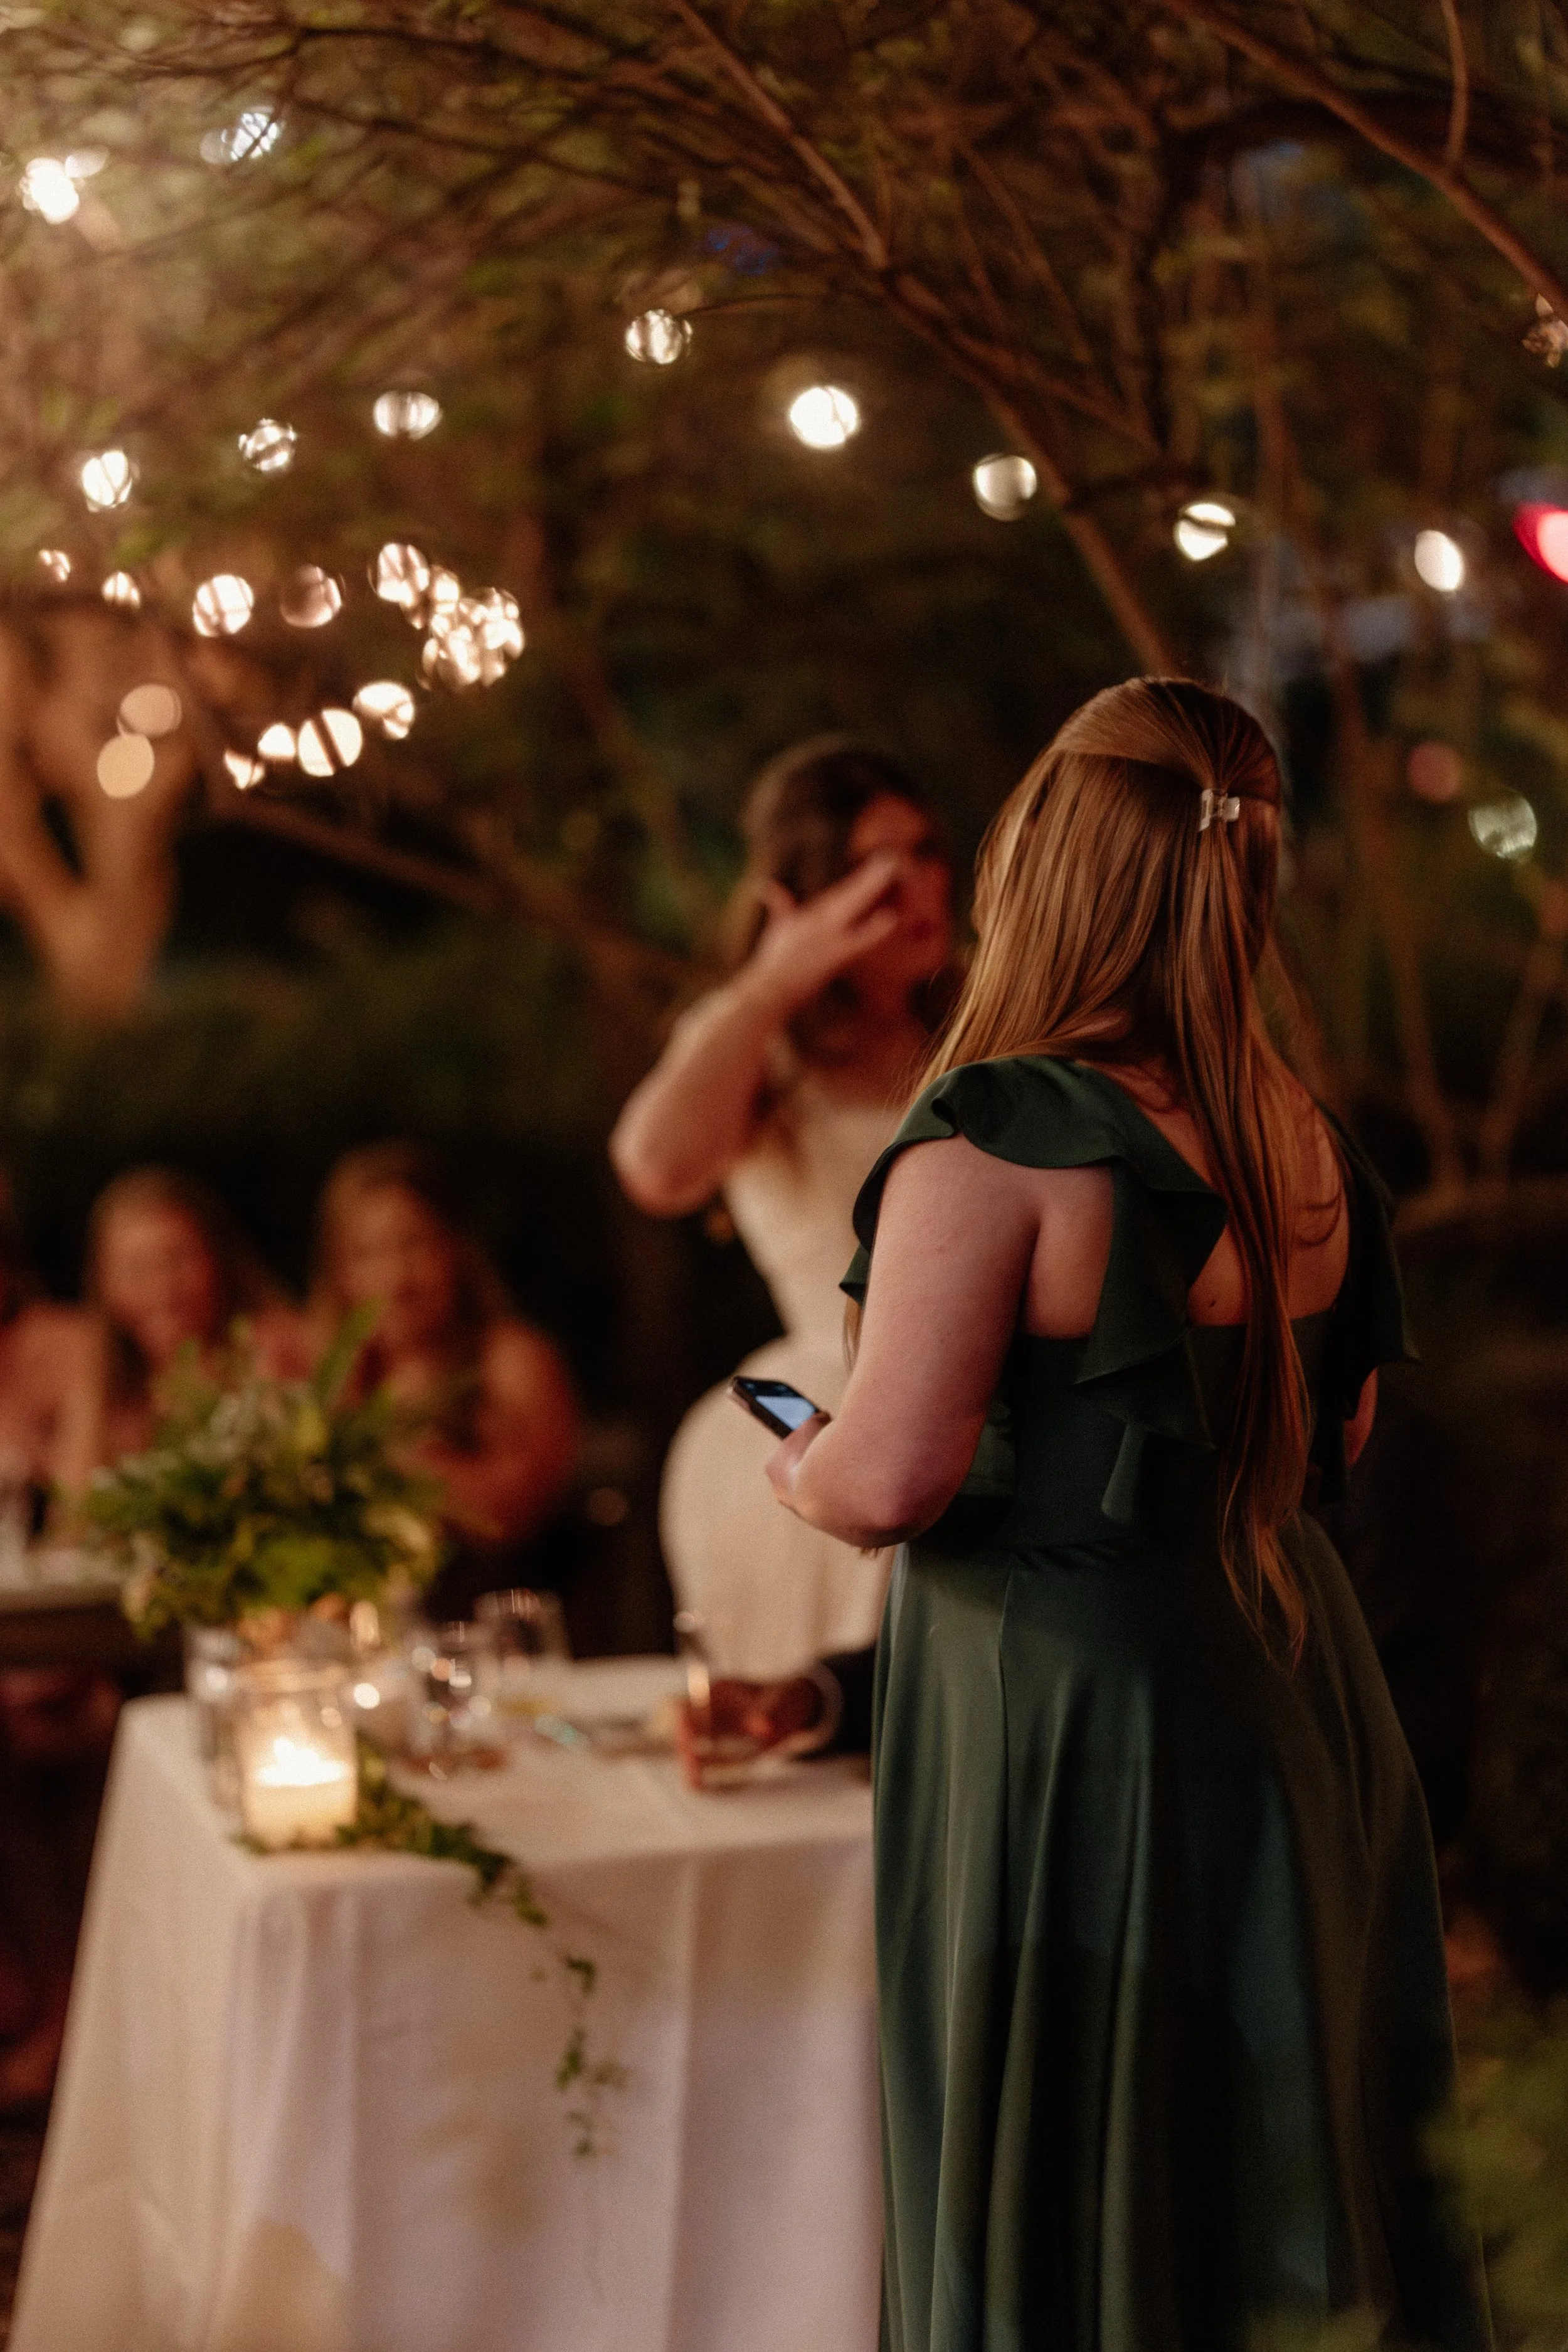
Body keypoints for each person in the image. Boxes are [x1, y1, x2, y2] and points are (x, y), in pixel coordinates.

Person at [761, 681, 1491, 2350]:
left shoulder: (995, 1141)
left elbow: (886, 1479)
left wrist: (789, 1461)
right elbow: (1338, 1430)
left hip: (1065, 1720)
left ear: (1047, 866)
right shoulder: (1294, 1127)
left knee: (1089, 2176)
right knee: (1282, 2159)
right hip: (1292, 1695)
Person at [611, 737, 956, 1677]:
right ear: (803, 896)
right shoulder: (760, 1047)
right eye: (869, 870)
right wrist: (773, 981)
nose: (915, 887)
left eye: (923, 853)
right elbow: (654, 1168)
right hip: (817, 1388)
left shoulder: (979, 1027)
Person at [309, 1143, 580, 1620]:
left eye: (412, 1244)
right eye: (367, 1255)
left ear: (455, 1247)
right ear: (339, 1274)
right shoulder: (340, 1382)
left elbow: (513, 1513)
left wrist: (381, 1454)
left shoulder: (510, 1359)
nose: (395, 1279)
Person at [53, 1166, 307, 1489]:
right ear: (105, 1285)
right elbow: (70, 1513)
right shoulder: (111, 1384)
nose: (163, 1288)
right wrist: (92, 1395)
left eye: (179, 1258)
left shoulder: (266, 1352)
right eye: (137, 1269)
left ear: (218, 1260)